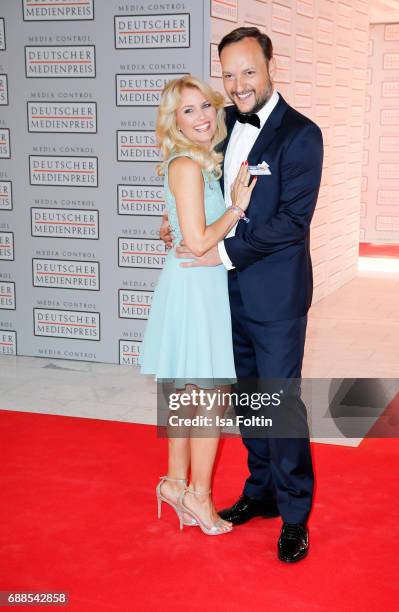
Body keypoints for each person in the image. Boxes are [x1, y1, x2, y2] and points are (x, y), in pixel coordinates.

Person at [161, 28, 324, 562]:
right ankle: (260, 494)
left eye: (247, 71)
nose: (237, 85)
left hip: (274, 294)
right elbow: (195, 188)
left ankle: (295, 515)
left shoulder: (302, 135)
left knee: (279, 403)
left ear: (271, 65)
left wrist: (225, 253)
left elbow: (291, 223)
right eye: (228, 75)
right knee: (248, 403)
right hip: (219, 293)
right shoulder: (223, 123)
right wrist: (178, 229)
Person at [139, 75, 257, 536]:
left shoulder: (194, 162)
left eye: (205, 106)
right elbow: (200, 240)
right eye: (188, 110)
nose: (203, 116)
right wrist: (237, 207)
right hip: (194, 286)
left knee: (190, 396)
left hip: (197, 285)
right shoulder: (188, 165)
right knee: (208, 398)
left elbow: (184, 229)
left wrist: (179, 224)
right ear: (175, 121)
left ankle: (174, 484)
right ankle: (200, 498)